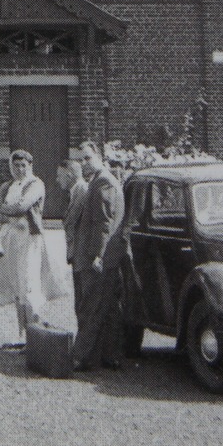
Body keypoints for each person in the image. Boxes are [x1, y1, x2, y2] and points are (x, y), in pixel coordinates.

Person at [0, 149, 67, 346]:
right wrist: (10, 216)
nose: (20, 169)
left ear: (30, 166)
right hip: (10, 239)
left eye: (23, 165)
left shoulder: (36, 184)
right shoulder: (6, 186)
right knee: (16, 284)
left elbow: (22, 207)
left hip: (29, 239)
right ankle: (22, 335)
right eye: (16, 165)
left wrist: (7, 211)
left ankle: (35, 337)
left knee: (29, 283)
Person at [67, 140, 128, 372]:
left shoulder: (103, 182)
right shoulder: (100, 181)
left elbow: (104, 222)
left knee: (90, 307)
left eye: (88, 158)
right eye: (80, 159)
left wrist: (97, 255)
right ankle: (109, 356)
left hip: (98, 257)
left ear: (99, 157)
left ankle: (80, 357)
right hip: (103, 256)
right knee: (107, 307)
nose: (83, 163)